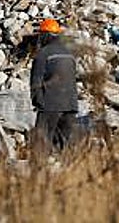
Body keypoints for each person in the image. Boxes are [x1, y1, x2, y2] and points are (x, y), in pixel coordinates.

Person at [29, 18, 79, 156]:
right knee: (65, 147)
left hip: (50, 104)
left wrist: (37, 101)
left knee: (41, 143)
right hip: (71, 105)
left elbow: (36, 81)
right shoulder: (70, 54)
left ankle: (40, 172)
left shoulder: (43, 53)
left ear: (45, 35)